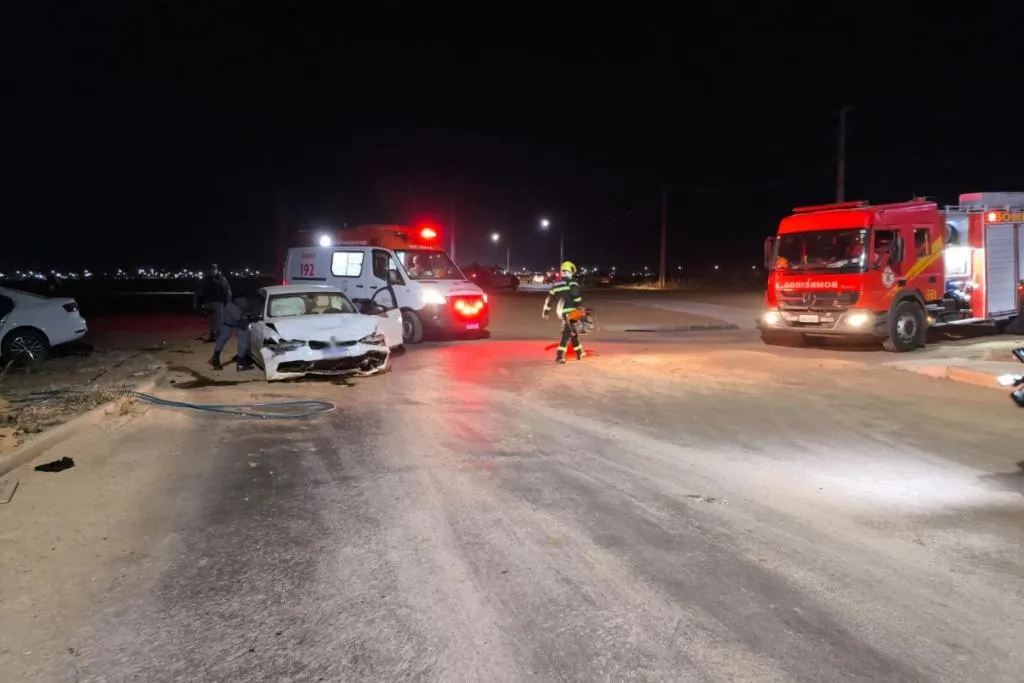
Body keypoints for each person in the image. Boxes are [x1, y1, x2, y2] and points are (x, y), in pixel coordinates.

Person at [541, 260, 586, 364]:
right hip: (572, 312)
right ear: (569, 271)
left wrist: (546, 311)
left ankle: (579, 352)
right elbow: (576, 295)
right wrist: (580, 307)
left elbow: (549, 298)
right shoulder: (572, 282)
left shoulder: (556, 284)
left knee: (572, 332)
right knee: (567, 333)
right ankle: (559, 356)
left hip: (561, 312)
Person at [208, 294, 256, 371]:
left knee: (224, 335)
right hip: (238, 309)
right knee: (243, 338)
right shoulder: (248, 296)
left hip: (230, 306)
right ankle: (241, 363)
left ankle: (215, 357)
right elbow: (242, 315)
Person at [193, 264, 232, 343]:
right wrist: (196, 301)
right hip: (208, 302)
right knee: (211, 320)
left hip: (218, 302)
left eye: (214, 269)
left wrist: (228, 302)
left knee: (218, 320)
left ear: (217, 270)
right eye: (211, 269)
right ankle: (213, 336)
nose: (213, 271)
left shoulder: (221, 279)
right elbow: (199, 291)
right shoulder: (206, 279)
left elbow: (227, 291)